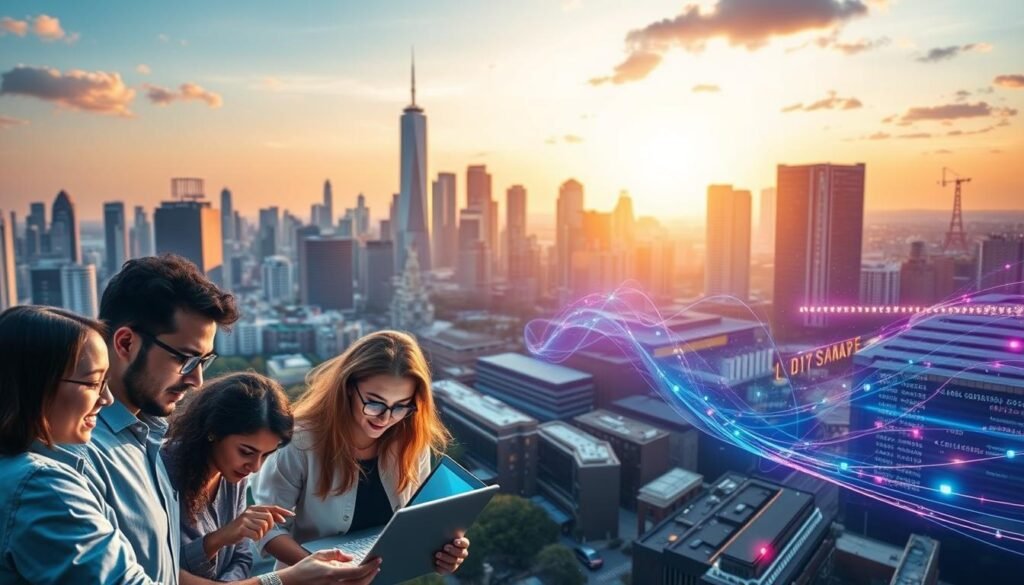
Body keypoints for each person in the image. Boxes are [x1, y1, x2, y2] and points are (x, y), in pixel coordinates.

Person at [76, 254, 379, 585]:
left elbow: (170, 567)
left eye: (205, 361)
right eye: (187, 359)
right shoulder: (84, 456)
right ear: (125, 343)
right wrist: (284, 580)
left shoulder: (145, 441)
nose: (197, 381)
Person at [253, 330, 471, 575]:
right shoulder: (298, 441)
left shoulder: (411, 440)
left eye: (401, 406)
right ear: (348, 386)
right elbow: (268, 529)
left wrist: (443, 553)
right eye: (375, 402)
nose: (386, 417)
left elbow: (417, 522)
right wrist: (320, 569)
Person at [162, 373, 296, 581]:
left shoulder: (234, 477)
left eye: (266, 454)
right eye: (246, 452)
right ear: (213, 430)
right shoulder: (163, 471)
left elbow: (242, 558)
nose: (255, 467)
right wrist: (219, 538)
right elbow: (160, 568)